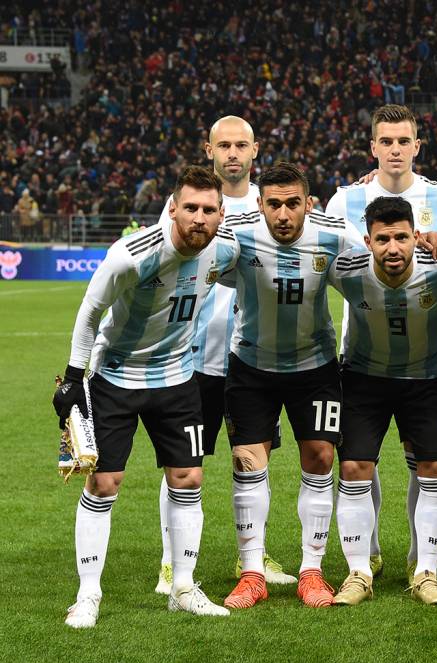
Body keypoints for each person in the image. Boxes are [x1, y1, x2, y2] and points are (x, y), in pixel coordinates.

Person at [54, 166, 235, 628]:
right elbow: (91, 310)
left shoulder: (225, 249)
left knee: (188, 479)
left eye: (208, 210)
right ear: (172, 209)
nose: (199, 218)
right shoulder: (131, 255)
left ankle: (183, 587)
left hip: (178, 379)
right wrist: (75, 377)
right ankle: (87, 595)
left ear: (221, 213)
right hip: (116, 378)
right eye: (190, 208)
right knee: (103, 485)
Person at [325, 104, 437, 580]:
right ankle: (366, 553)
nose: (394, 150)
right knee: (358, 463)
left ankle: (419, 557)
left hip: (425, 361)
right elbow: (323, 259)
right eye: (385, 142)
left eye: (402, 141)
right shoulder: (343, 201)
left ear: (417, 146)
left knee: (425, 462)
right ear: (373, 147)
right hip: (363, 354)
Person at [153, 115, 296, 595]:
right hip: (190, 360)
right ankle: (171, 562)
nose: (232, 153)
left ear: (256, 151)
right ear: (209, 149)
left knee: (253, 461)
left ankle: (251, 558)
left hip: (251, 360)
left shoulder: (269, 207)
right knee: (181, 463)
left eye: (241, 145)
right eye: (224, 145)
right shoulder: (188, 206)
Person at [218, 162, 362, 610]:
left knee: (320, 458)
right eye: (274, 204)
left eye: (292, 204)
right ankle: (252, 573)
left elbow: (378, 264)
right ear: (260, 204)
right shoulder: (237, 234)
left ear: (309, 204)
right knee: (247, 465)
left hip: (314, 368)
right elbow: (191, 251)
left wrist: (424, 243)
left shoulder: (334, 235)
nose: (283, 214)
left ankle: (311, 569)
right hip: (251, 367)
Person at [328, 196, 437, 606]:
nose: (393, 248)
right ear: (367, 241)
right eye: (383, 239)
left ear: (416, 237)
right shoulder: (346, 271)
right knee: (353, 466)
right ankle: (358, 572)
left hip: (427, 379)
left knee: (434, 467)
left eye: (402, 237)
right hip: (365, 380)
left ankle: (427, 572)